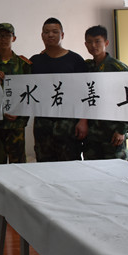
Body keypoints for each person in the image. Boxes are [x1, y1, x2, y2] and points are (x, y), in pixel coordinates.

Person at [0, 23, 31, 221]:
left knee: (18, 167)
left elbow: (31, 94)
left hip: (16, 125)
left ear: (14, 38)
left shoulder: (24, 64)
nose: (4, 39)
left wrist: (20, 116)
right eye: (0, 36)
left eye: (7, 36)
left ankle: (20, 205)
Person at [30, 18, 87, 162]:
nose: (50, 35)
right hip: (43, 124)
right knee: (44, 166)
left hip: (68, 124)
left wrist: (83, 120)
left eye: (55, 32)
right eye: (46, 32)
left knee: (70, 166)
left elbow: (85, 92)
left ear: (62, 35)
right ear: (42, 36)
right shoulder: (35, 61)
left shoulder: (75, 60)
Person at [83, 25, 128, 161]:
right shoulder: (86, 67)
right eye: (89, 42)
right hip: (92, 135)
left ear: (106, 43)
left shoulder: (118, 68)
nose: (93, 45)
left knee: (117, 169)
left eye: (97, 41)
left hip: (113, 133)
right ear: (85, 44)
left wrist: (122, 130)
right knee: (92, 170)